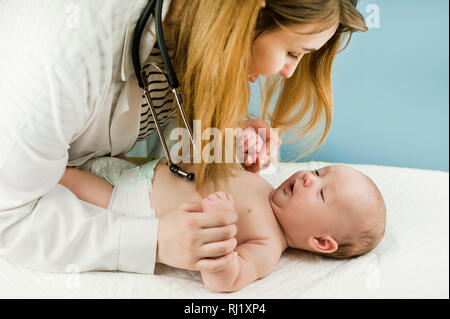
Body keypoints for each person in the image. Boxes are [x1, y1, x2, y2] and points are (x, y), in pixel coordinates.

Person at [0, 0, 367, 274]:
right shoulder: (57, 59)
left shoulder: (182, 27)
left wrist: (223, 135)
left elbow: (160, 118)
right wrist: (156, 242)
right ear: (247, 13)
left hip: (110, 177)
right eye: (291, 52)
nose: (288, 73)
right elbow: (7, 218)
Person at [58, 155, 386, 292]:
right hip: (140, 167)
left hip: (131, 203)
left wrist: (222, 235)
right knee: (77, 157)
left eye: (322, 193)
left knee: (60, 178)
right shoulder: (263, 184)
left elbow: (226, 282)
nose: (306, 178)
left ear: (321, 241)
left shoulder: (268, 244)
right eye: (317, 172)